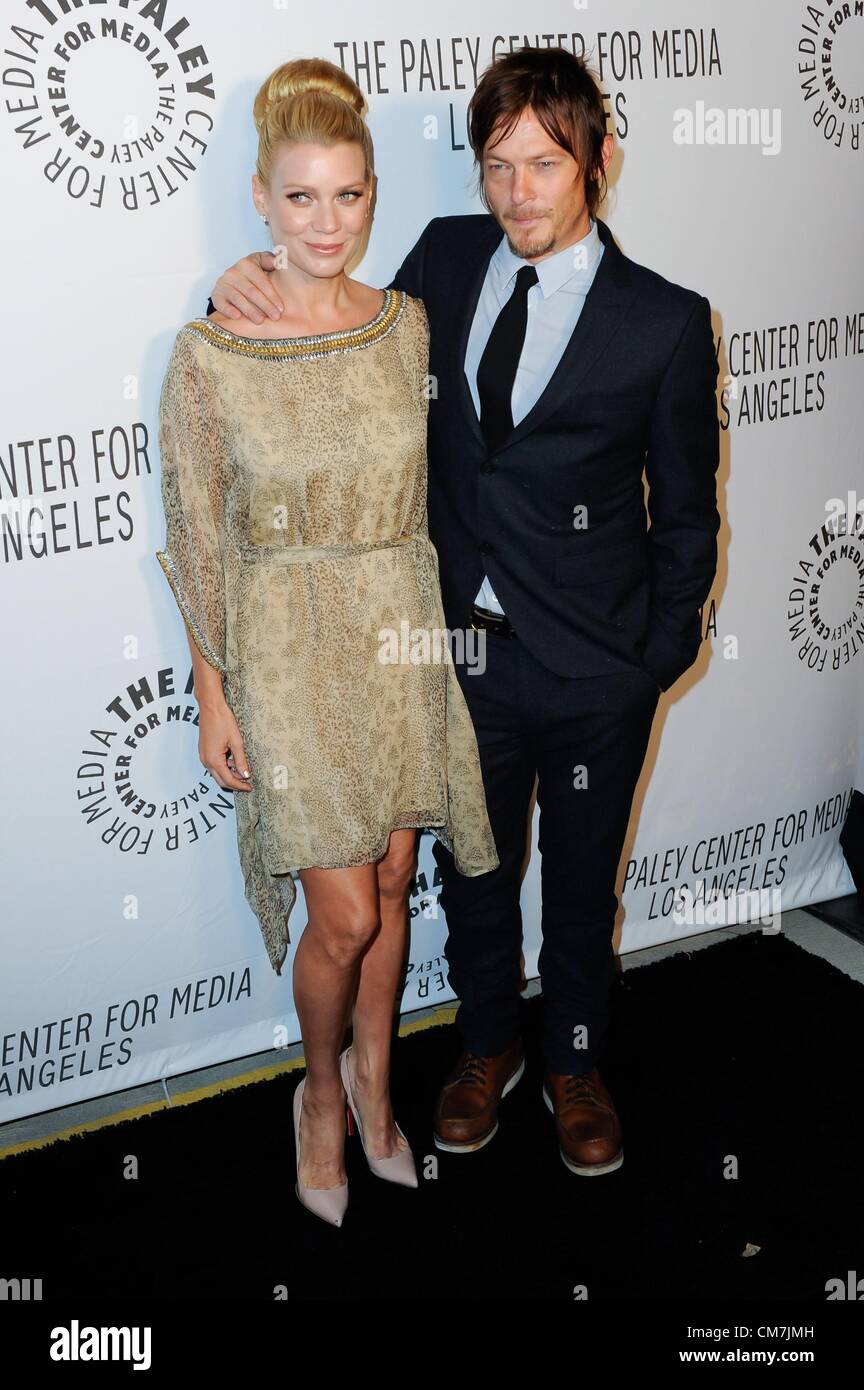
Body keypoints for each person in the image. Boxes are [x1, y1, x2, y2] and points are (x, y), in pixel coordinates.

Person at [205, 47, 721, 1179]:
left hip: (597, 671)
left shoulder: (666, 323)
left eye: (545, 163)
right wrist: (242, 282)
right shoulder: (442, 258)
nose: (518, 191)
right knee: (474, 880)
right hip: (455, 655)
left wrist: (653, 657)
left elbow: (687, 515)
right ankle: (487, 1046)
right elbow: (330, 348)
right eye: (498, 165)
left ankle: (577, 1061)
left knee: (585, 882)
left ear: (596, 160)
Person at [154, 57, 499, 1227]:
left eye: (348, 196)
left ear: (372, 194)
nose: (325, 222)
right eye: (300, 198)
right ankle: (317, 1091)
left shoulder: (406, 324)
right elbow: (197, 541)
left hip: (397, 620)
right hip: (286, 648)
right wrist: (213, 692)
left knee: (398, 881)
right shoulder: (211, 351)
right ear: (259, 196)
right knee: (344, 913)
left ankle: (379, 1087)